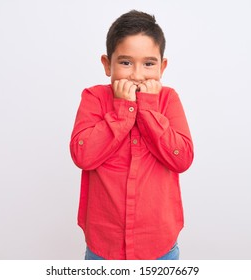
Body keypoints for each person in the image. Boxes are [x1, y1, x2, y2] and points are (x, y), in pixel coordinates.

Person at [70, 10, 194, 260]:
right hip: (104, 247)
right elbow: (83, 155)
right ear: (107, 64)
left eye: (149, 64)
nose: (137, 75)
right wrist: (122, 112)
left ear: (163, 66)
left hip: (159, 245)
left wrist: (147, 109)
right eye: (126, 63)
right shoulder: (94, 98)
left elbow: (182, 159)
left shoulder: (169, 100)